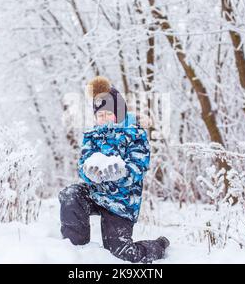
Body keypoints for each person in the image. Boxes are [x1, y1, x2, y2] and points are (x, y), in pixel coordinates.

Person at [58, 76, 170, 263]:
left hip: (122, 201)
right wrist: (89, 174)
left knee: (122, 253)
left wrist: (122, 173)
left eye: (108, 113)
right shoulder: (92, 136)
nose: (104, 118)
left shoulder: (135, 134)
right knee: (71, 194)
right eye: (100, 115)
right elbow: (83, 164)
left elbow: (139, 166)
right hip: (96, 193)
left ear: (119, 112)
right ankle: (75, 248)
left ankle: (158, 246)